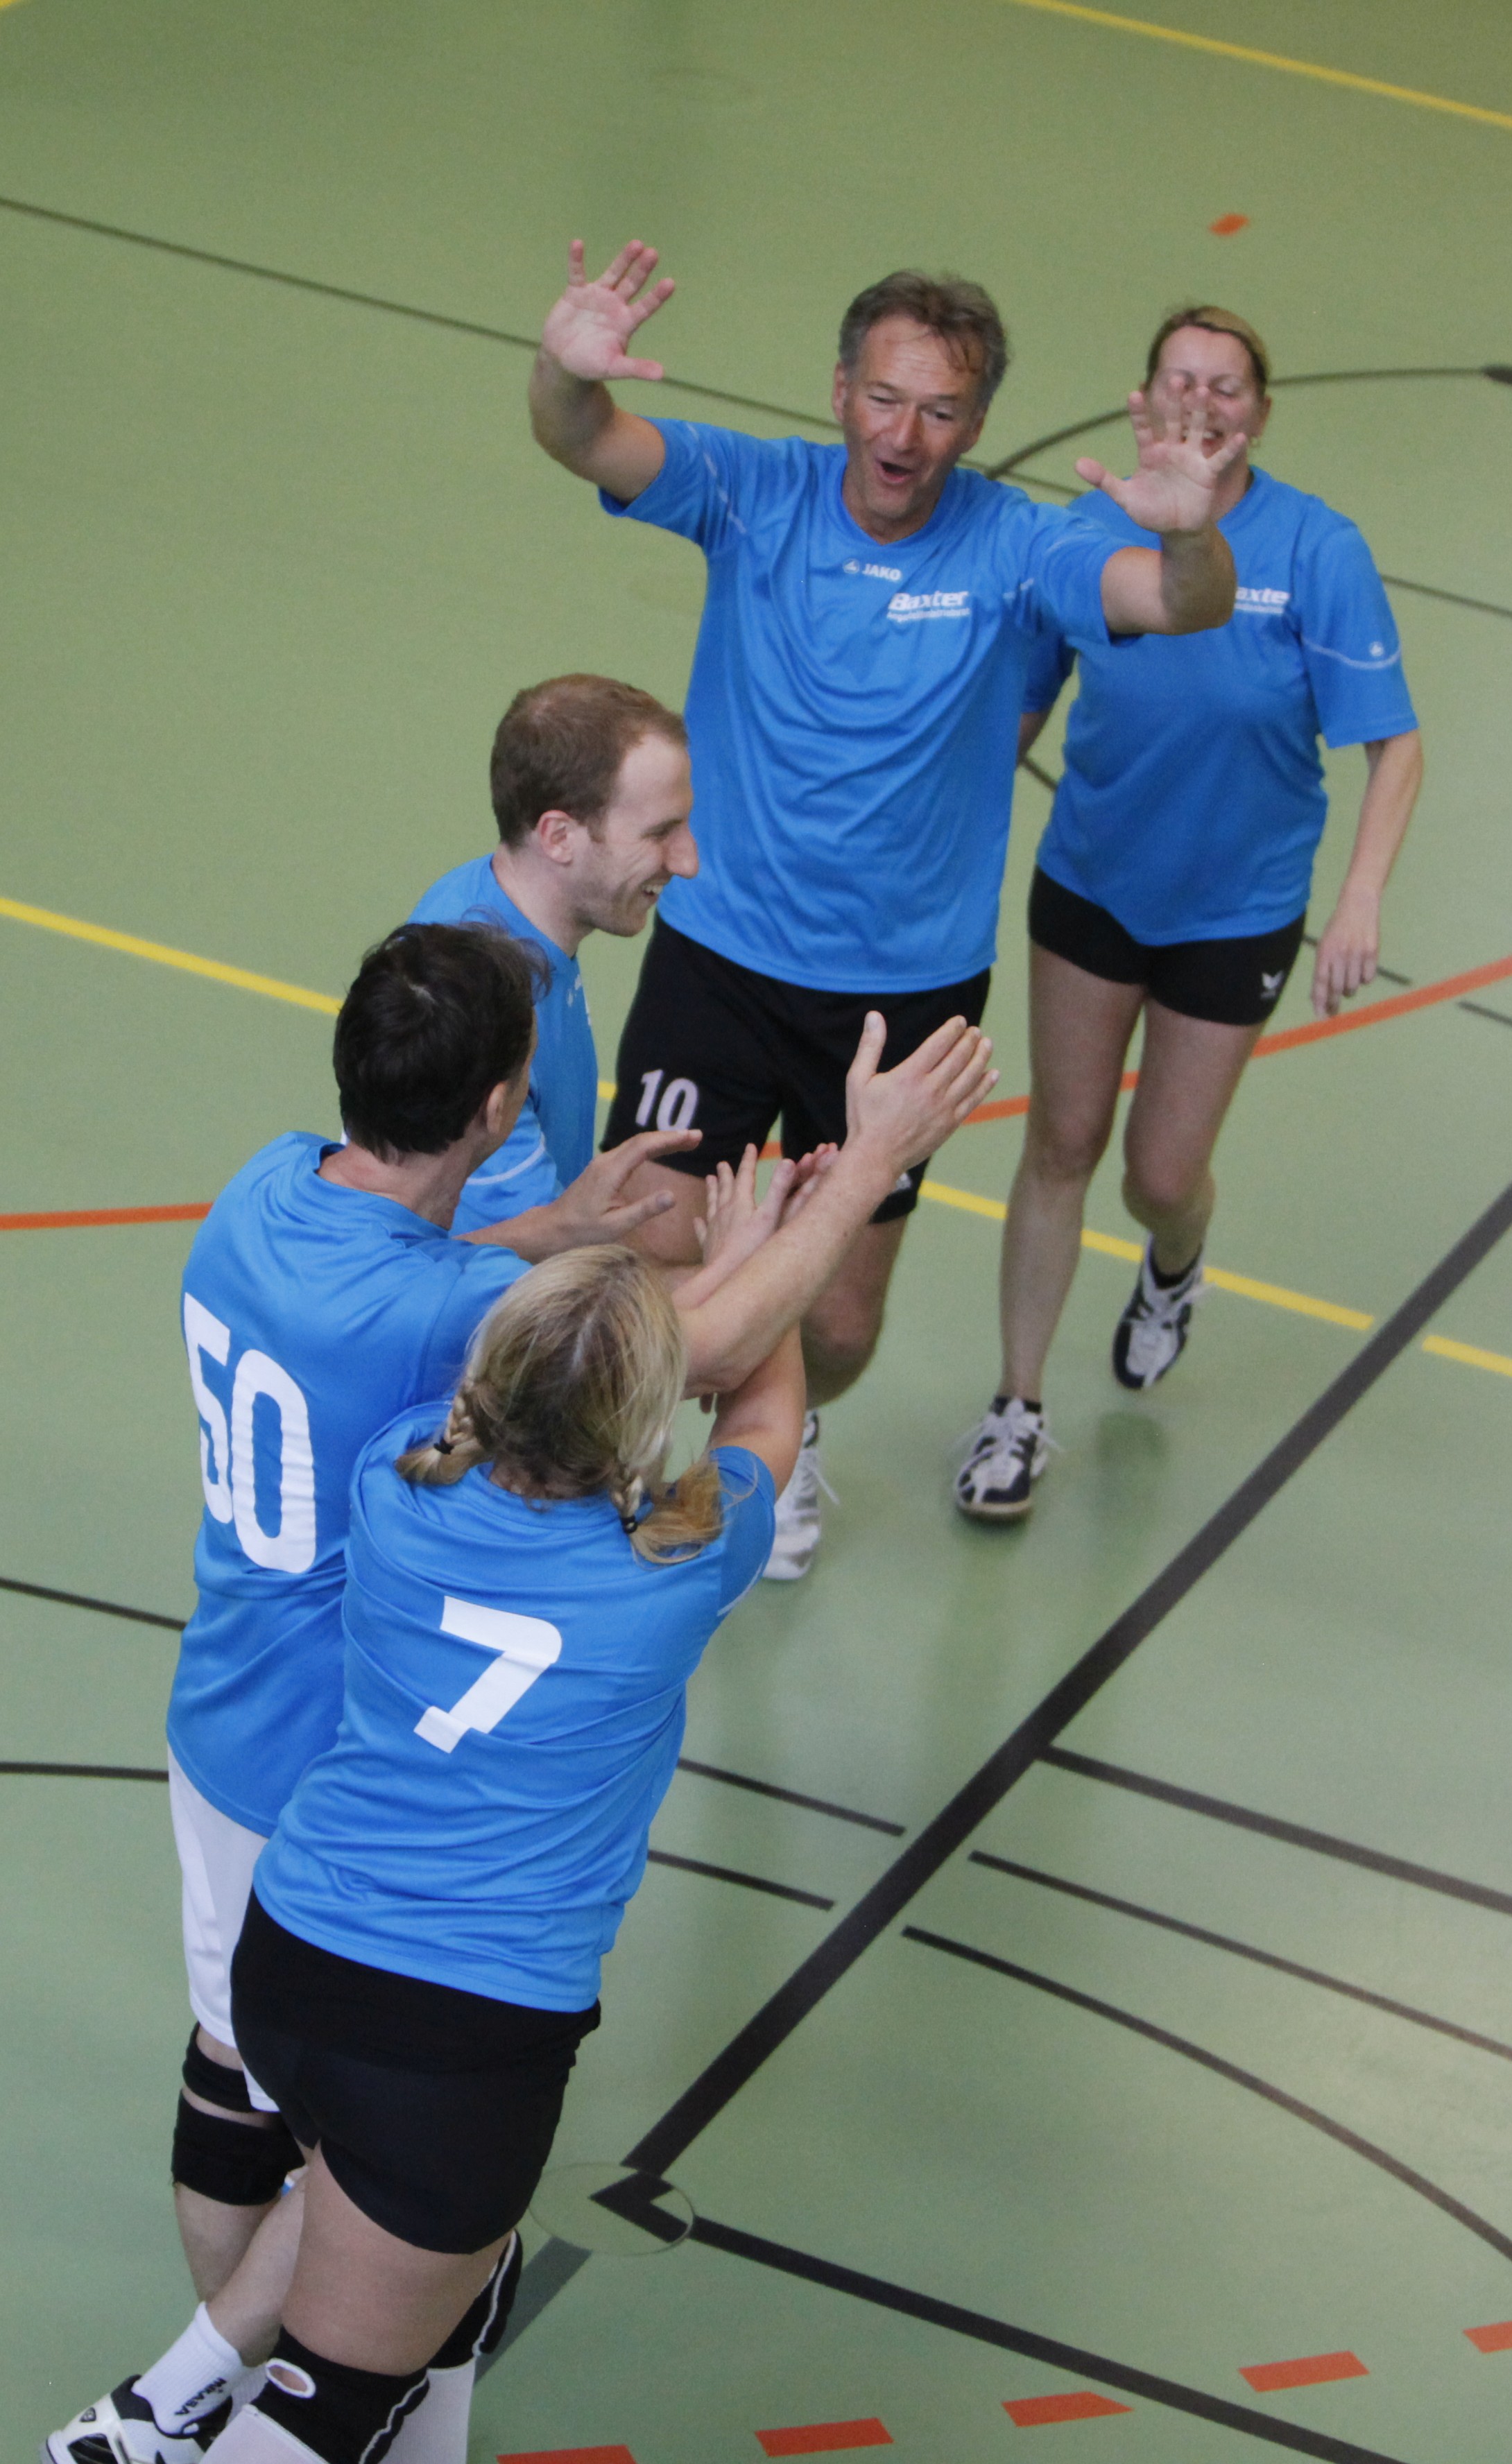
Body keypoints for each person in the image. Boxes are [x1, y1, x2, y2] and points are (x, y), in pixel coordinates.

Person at [53, 928, 989, 2464]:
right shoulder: (641, 1554)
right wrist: (851, 1176)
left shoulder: (268, 1208)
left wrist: (555, 1230)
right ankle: (249, 2403)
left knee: (254, 2079)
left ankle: (176, 2393)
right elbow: (726, 1357)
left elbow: (465, 1302)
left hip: (241, 1736)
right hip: (349, 1803)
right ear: (500, 1105)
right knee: (360, 2253)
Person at [529, 239, 1246, 1576]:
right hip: (721, 956)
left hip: (903, 994)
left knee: (842, 1323)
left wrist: (1192, 527)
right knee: (645, 1254)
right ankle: (663, 1458)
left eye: (941, 410)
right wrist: (564, 374)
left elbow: (1178, 600)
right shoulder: (753, 491)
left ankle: (785, 1427)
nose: (904, 435)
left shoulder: (1020, 545)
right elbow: (584, 436)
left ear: (975, 425)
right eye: (883, 397)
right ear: (839, 390)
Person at [199, 1241, 814, 2464]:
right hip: (458, 2039)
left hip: (290, 1961)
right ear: (643, 1420)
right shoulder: (680, 1561)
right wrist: (769, 1256)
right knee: (325, 2413)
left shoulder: (395, 1476)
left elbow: (555, 1395)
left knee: (393, 2270)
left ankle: (170, 2396)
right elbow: (764, 1410)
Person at [954, 305, 1423, 1520]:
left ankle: (1173, 1262)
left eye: (1226, 385)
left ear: (1258, 411)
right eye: (1181, 379)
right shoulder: (1088, 531)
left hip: (1237, 909)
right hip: (1093, 882)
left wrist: (1360, 895)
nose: (1202, 401)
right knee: (1060, 1143)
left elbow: (1394, 743)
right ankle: (1016, 1408)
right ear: (1145, 398)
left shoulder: (1317, 547)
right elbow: (1021, 703)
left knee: (1161, 1174)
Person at [407, 675, 698, 1232]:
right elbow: (532, 1258)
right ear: (559, 837)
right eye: (660, 832)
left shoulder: (487, 903)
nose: (688, 861)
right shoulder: (472, 1003)